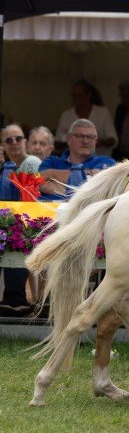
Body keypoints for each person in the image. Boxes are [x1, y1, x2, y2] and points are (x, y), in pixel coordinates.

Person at [0, 124, 42, 316]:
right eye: (9, 140)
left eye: (18, 138)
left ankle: (14, 296)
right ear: (3, 145)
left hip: (29, 221)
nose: (14, 143)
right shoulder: (6, 168)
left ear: (25, 141)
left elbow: (30, 197)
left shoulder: (32, 162)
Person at [39, 119, 116, 201]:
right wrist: (85, 184)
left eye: (90, 137)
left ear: (95, 141)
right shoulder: (52, 161)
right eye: (80, 136)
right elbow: (38, 183)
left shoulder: (107, 161)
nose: (85, 141)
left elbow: (98, 186)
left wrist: (51, 174)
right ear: (68, 139)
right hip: (48, 211)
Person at [55, 79, 117, 158]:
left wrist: (101, 142)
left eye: (79, 95)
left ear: (88, 95)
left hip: (100, 163)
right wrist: (71, 141)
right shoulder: (66, 116)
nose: (75, 98)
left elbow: (113, 139)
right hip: (74, 165)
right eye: (74, 95)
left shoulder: (102, 113)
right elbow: (57, 142)